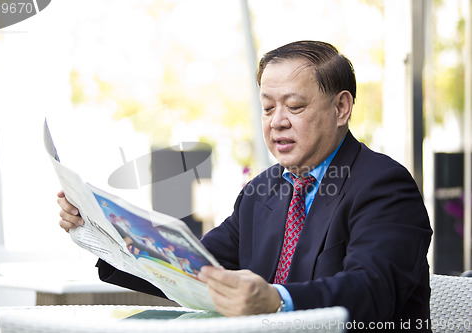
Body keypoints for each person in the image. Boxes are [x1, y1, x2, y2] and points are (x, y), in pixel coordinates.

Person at [58, 40, 432, 330]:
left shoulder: (384, 185)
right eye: (268, 108)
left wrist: (275, 299)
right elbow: (194, 270)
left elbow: (372, 293)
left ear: (341, 108)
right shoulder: (263, 190)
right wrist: (100, 230)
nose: (277, 122)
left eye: (295, 106)